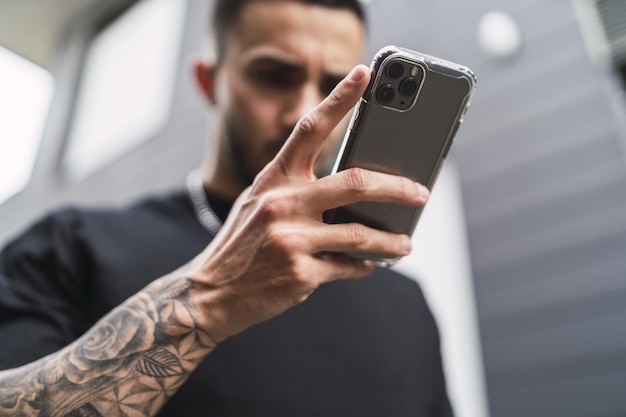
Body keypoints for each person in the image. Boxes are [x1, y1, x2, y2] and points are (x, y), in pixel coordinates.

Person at [0, 0, 453, 416]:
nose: (304, 110)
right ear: (208, 80)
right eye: (273, 75)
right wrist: (208, 299)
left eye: (336, 86)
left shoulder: (407, 305)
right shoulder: (72, 248)